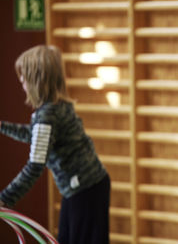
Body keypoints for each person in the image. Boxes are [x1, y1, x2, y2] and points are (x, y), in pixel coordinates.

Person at [0, 45, 110, 244]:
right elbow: (36, 136)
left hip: (86, 189)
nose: (21, 81)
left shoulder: (48, 115)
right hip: (81, 188)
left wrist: (5, 198)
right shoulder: (54, 107)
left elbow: (35, 165)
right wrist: (2, 127)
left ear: (37, 80)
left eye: (24, 76)